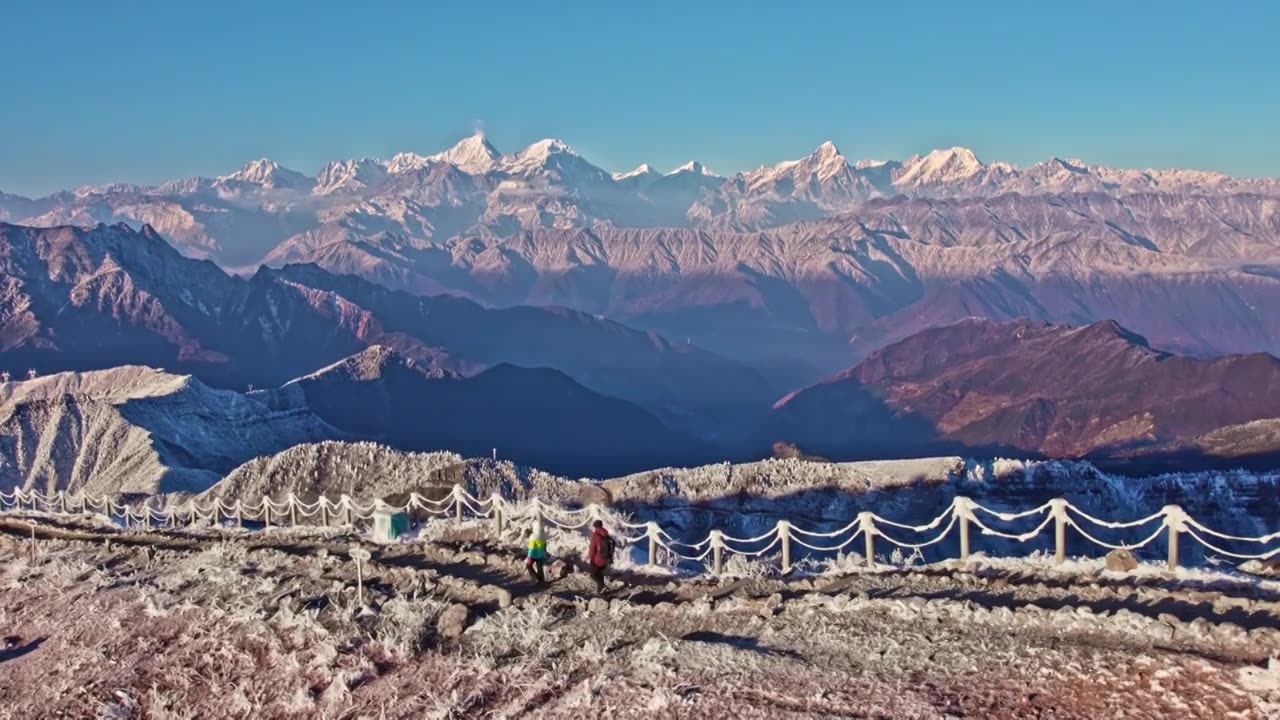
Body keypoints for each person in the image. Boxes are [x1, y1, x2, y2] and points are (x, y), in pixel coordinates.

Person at [586, 519, 614, 595]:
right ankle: (600, 591)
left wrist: (590, 558)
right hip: (605, 559)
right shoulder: (605, 534)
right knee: (600, 574)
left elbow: (592, 549)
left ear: (595, 526)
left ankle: (602, 587)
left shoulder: (596, 535)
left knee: (593, 575)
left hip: (597, 560)